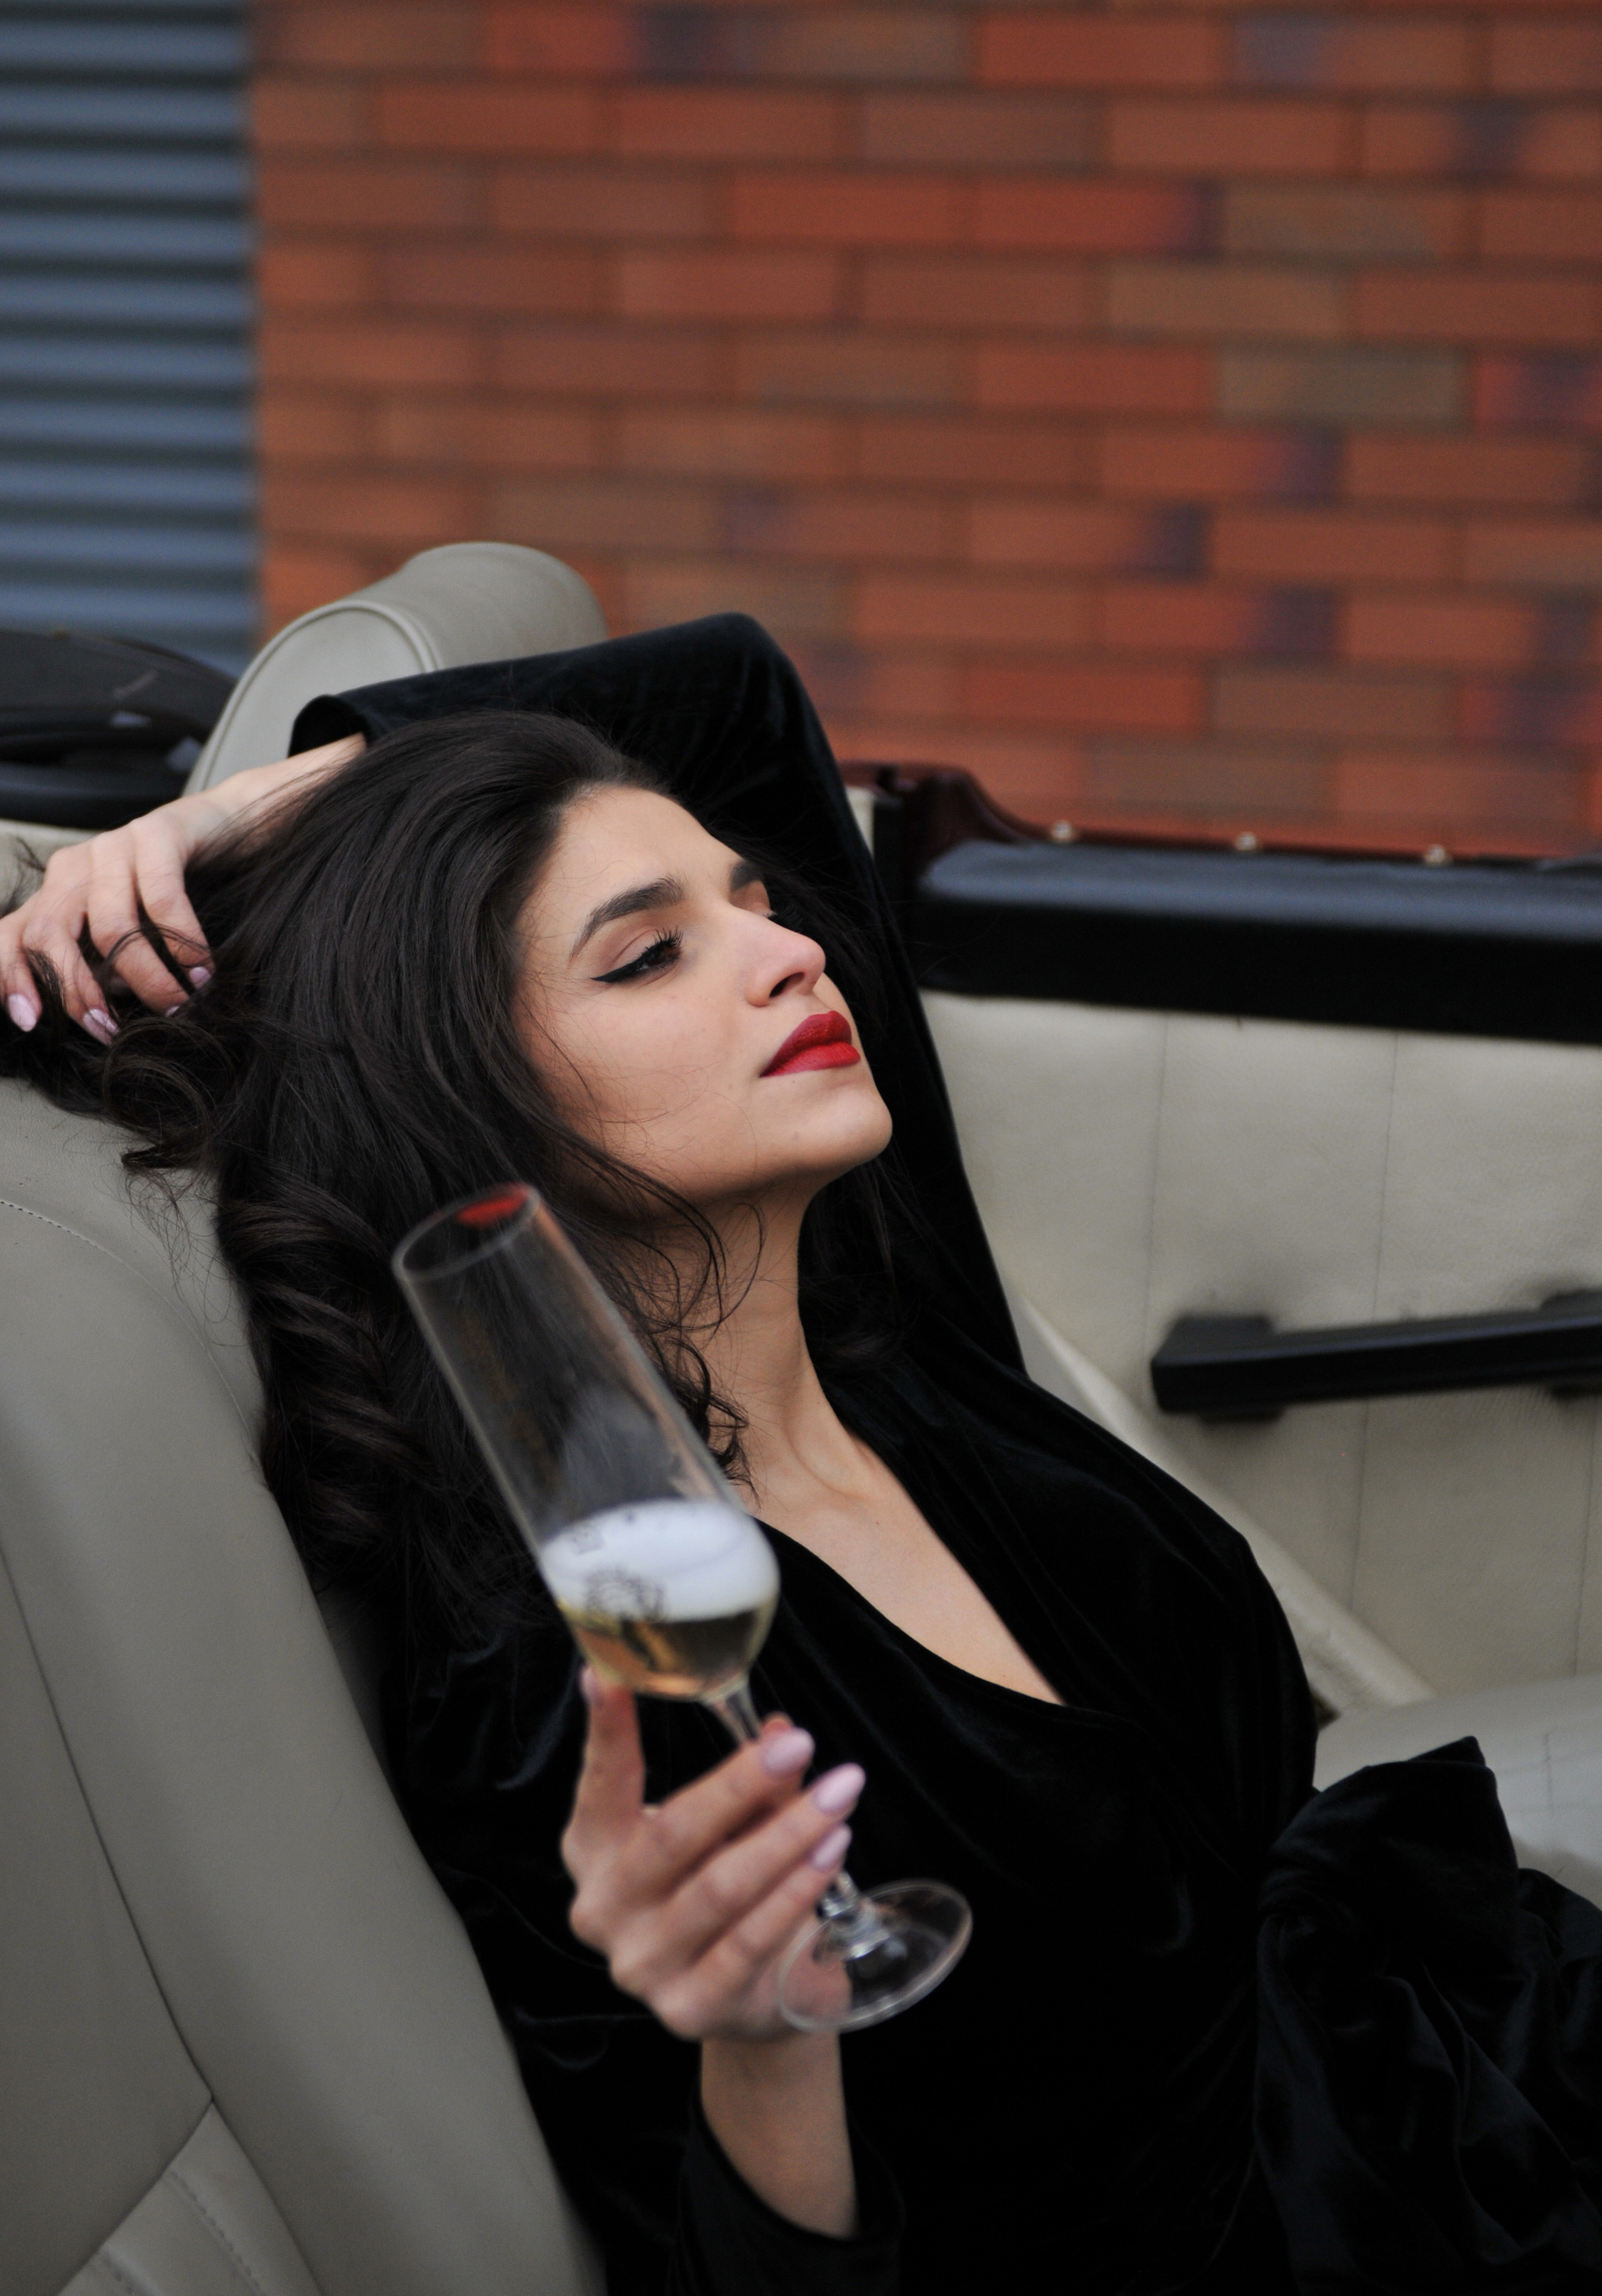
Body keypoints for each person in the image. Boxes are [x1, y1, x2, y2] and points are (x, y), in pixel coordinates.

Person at [4, 614, 1601, 2294]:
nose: (788, 953)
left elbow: (731, 694)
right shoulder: (585, 1659)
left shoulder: (886, 1323)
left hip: (1464, 2097)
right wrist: (762, 2043)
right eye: (649, 957)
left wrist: (239, 808)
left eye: (753, 899)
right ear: (461, 1084)